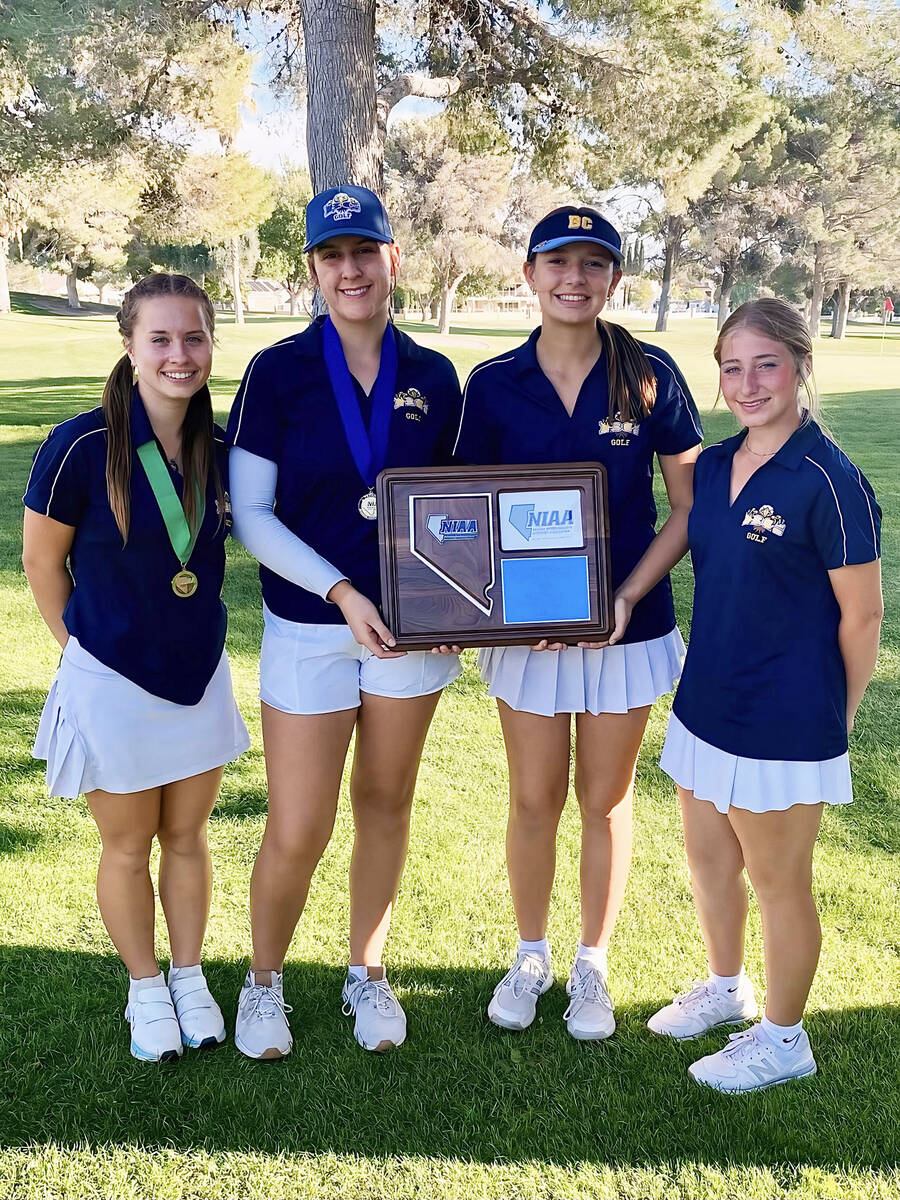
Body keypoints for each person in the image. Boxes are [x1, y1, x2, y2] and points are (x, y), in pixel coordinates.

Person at [454, 207, 703, 1039]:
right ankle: (531, 953)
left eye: (593, 265)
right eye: (557, 262)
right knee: (533, 797)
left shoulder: (651, 373)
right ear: (528, 275)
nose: (574, 278)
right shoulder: (492, 384)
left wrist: (626, 595)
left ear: (614, 281)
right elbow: (467, 514)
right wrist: (484, 608)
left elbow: (688, 508)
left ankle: (591, 962)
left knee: (605, 798)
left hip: (626, 627)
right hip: (527, 634)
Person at [226, 185, 463, 1059]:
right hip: (311, 623)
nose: (351, 270)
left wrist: (457, 601)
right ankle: (263, 983)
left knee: (385, 803)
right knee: (299, 823)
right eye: (333, 256)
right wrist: (341, 593)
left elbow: (457, 511)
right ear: (315, 272)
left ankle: (367, 971)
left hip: (410, 629)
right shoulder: (278, 371)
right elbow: (252, 514)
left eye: (365, 251)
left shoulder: (436, 378)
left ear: (394, 259)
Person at [649, 298, 883, 1092]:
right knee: (710, 862)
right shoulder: (713, 467)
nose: (748, 384)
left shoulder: (830, 481)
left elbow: (863, 617)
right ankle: (726, 987)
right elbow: (685, 542)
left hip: (784, 721)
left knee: (780, 883)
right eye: (732, 367)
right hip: (705, 701)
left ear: (800, 366)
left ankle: (784, 1039)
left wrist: (834, 721)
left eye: (766, 364)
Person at [22, 274, 250, 1063]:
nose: (178, 355)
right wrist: (80, 656)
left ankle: (189, 976)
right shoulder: (82, 446)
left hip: (197, 673)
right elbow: (41, 562)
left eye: (193, 337)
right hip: (110, 677)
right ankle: (146, 988)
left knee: (187, 837)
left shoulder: (222, 449)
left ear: (211, 345)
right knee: (128, 845)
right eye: (160, 338)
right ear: (128, 344)